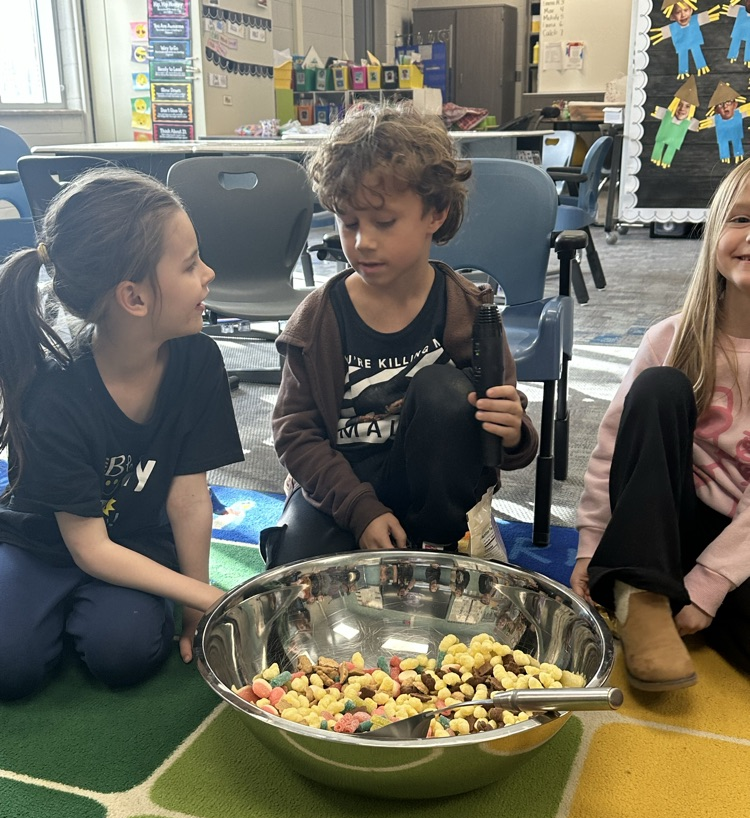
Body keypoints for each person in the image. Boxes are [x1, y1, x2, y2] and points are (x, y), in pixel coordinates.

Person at [0, 166, 244, 700]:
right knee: (9, 667)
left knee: (124, 654)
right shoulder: (54, 393)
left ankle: (77, 616)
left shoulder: (198, 359)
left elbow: (187, 497)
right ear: (133, 298)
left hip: (132, 540)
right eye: (189, 266)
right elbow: (87, 547)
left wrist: (194, 603)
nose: (209, 274)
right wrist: (212, 594)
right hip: (42, 545)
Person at [260, 102, 537, 569]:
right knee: (295, 579)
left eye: (384, 222)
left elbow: (502, 429)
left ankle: (446, 543)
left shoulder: (471, 310)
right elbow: (295, 434)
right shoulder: (319, 319)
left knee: (446, 390)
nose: (362, 241)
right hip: (341, 488)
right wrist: (360, 510)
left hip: (437, 493)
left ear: (436, 212)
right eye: (349, 223)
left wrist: (514, 434)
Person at [571, 157, 750, 691]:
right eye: (740, 219)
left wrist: (712, 582)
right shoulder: (671, 337)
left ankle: (667, 595)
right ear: (715, 230)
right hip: (660, 523)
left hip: (739, 536)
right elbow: (611, 451)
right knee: (660, 387)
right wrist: (592, 547)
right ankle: (639, 590)